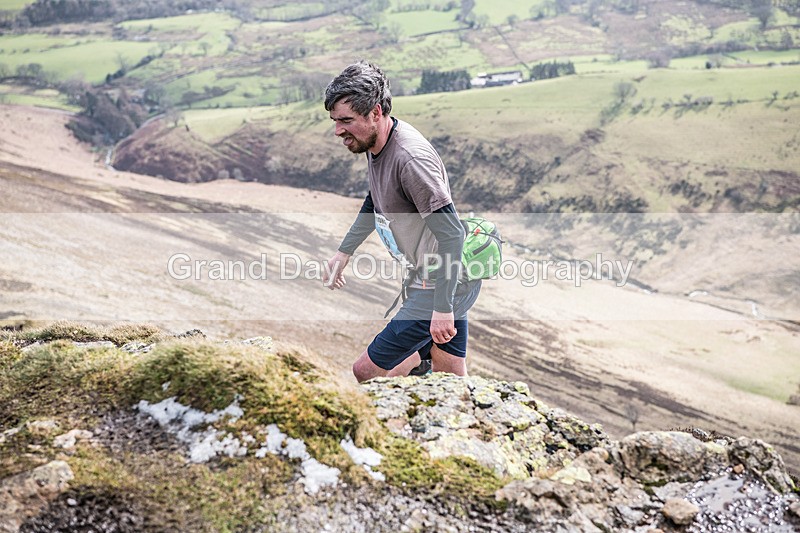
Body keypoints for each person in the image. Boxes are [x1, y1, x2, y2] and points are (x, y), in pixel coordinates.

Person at [322, 61, 482, 383]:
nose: (338, 130)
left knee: (366, 372)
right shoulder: (376, 141)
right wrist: (344, 252)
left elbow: (452, 235)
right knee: (451, 379)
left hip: (441, 284)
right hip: (446, 280)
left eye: (346, 121)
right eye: (335, 121)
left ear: (376, 112)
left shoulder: (410, 160)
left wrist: (442, 307)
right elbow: (377, 198)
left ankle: (411, 379)